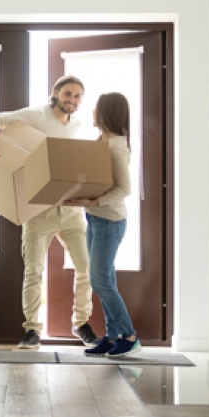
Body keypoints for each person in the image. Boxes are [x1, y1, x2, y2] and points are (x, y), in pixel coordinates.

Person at [0, 74, 98, 349]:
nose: (72, 101)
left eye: (78, 96)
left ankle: (81, 323)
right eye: (68, 94)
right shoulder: (37, 116)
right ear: (55, 92)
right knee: (34, 271)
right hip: (38, 211)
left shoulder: (79, 125)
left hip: (70, 211)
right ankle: (32, 330)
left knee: (87, 268)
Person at [63, 92, 141, 357]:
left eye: (96, 109)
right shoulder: (103, 141)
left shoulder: (116, 146)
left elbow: (124, 188)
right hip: (95, 219)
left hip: (110, 222)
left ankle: (129, 335)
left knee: (100, 281)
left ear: (106, 113)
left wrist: (94, 202)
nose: (92, 112)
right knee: (105, 280)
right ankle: (111, 336)